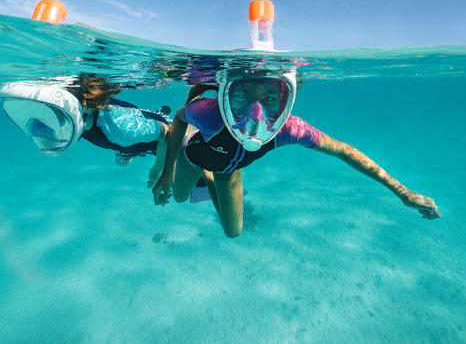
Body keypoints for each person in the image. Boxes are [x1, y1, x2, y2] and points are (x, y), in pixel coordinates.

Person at [152, 71, 440, 238]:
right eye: (241, 98)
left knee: (233, 233)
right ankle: (199, 168)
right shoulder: (210, 113)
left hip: (229, 169)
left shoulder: (289, 128)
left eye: (269, 100)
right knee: (179, 198)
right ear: (228, 96)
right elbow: (179, 118)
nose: (255, 118)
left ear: (284, 102)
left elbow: (343, 150)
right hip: (193, 156)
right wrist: (166, 175)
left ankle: (211, 177)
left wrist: (403, 192)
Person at [0, 74, 171, 188]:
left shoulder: (120, 129)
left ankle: (158, 114)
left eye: (59, 117)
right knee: (122, 158)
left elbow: (167, 133)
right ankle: (127, 148)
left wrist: (159, 170)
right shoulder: (80, 118)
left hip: (168, 137)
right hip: (124, 140)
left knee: (182, 190)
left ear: (83, 112)